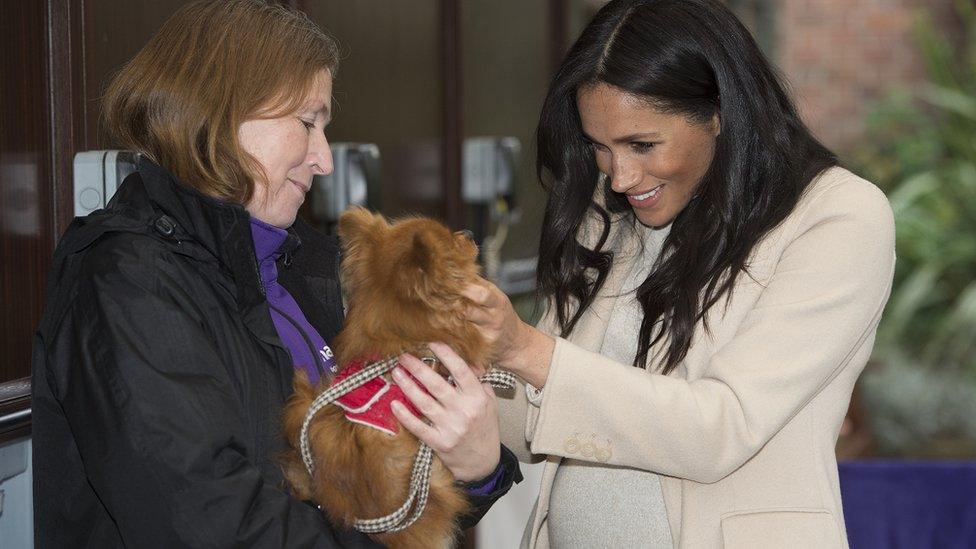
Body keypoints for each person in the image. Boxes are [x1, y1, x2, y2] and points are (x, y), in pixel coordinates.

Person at [31, 2, 519, 547]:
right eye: (307, 122)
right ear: (219, 111)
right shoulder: (124, 281)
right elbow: (211, 522)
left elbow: (371, 488)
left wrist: (479, 468)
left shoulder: (298, 265)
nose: (324, 159)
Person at [461, 0, 896, 547]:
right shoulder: (611, 214)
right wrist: (459, 372)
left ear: (718, 111)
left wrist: (526, 351)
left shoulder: (838, 215)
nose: (620, 176)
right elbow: (541, 418)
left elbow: (721, 427)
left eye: (642, 144)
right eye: (600, 147)